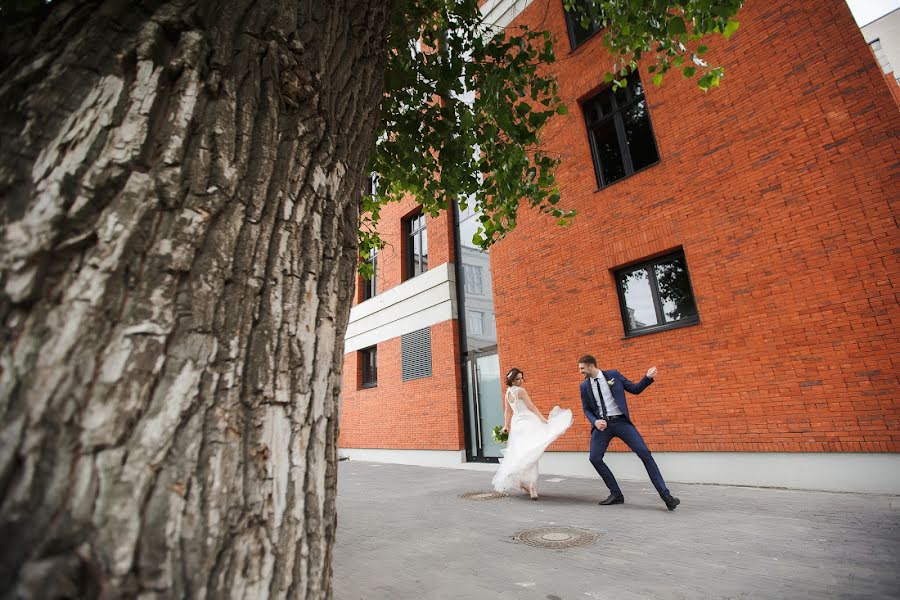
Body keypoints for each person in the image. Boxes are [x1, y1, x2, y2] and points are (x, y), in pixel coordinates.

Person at [577, 354, 681, 511]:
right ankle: (616, 494)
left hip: (621, 422)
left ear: (591, 366)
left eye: (582, 368)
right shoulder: (584, 386)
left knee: (645, 454)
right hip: (602, 427)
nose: (580, 372)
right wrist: (595, 421)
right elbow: (586, 409)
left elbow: (635, 389)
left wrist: (647, 378)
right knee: (595, 458)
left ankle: (666, 496)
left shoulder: (613, 375)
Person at [492, 368, 572, 499]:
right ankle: (530, 485)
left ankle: (527, 484)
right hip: (527, 422)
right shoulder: (520, 391)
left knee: (524, 453)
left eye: (521, 378)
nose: (520, 381)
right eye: (517, 378)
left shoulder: (508, 393)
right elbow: (531, 407)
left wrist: (507, 425)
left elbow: (507, 411)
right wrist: (543, 419)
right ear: (511, 379)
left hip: (517, 423)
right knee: (531, 452)